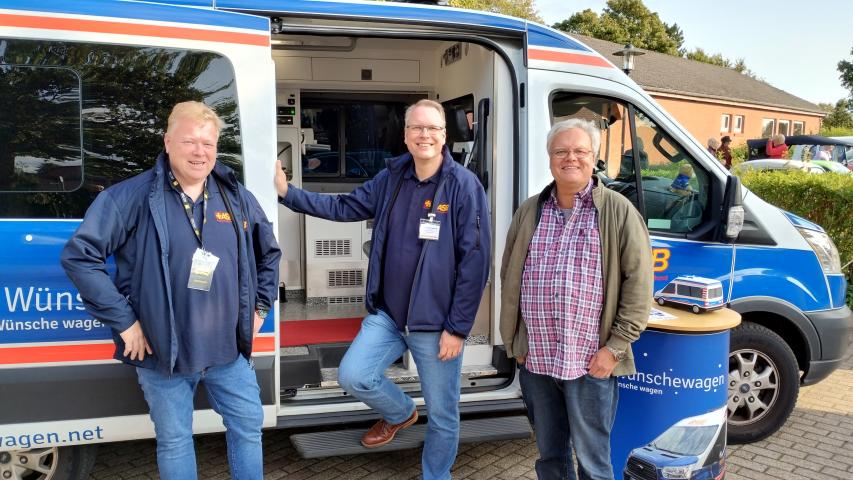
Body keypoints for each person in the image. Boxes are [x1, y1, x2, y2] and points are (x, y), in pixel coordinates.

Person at [61, 101, 281, 480]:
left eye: (208, 144)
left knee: (248, 428)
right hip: (162, 351)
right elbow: (80, 257)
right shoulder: (130, 196)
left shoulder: (235, 196)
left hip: (228, 352)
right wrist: (125, 322)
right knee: (175, 440)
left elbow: (269, 254)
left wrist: (260, 305)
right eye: (189, 141)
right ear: (167, 142)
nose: (200, 152)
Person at [275, 98, 490, 480]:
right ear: (405, 135)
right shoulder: (391, 177)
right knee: (352, 375)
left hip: (435, 323)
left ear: (445, 136)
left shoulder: (463, 187)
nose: (424, 134)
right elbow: (344, 206)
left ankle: (436, 476)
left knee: (443, 414)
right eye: (416, 128)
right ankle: (400, 412)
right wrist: (288, 193)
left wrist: (457, 329)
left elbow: (475, 262)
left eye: (432, 128)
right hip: (390, 315)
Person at [499, 118, 652, 480]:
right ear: (550, 158)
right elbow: (510, 276)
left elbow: (639, 285)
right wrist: (516, 340)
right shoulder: (530, 211)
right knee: (550, 457)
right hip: (536, 358)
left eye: (580, 151)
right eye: (561, 151)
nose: (571, 158)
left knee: (593, 461)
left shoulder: (617, 210)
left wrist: (614, 348)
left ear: (594, 157)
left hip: (591, 361)